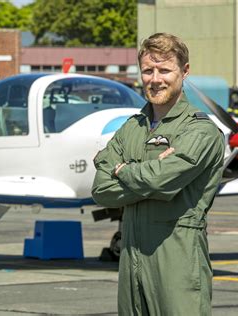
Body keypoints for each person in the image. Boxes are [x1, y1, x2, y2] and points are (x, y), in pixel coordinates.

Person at [92, 33, 225, 315]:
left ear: (184, 71)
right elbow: (102, 189)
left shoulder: (201, 131)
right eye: (148, 71)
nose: (155, 79)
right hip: (131, 259)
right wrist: (148, 176)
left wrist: (123, 169)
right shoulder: (132, 128)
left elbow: (161, 180)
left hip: (177, 259)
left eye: (164, 70)